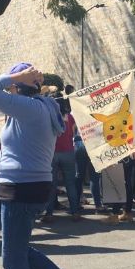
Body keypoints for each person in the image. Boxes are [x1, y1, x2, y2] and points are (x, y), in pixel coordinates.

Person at [0, 63, 86, 269]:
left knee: (13, 259)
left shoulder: (29, 108)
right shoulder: (43, 106)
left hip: (21, 187)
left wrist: (15, 76)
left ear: (18, 86)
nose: (8, 91)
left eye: (11, 86)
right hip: (30, 185)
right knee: (18, 251)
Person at [42, 93, 81, 222]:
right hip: (68, 152)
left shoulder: (47, 116)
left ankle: (49, 213)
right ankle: (75, 211)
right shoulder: (70, 117)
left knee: (51, 185)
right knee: (70, 183)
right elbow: (74, 133)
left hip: (52, 153)